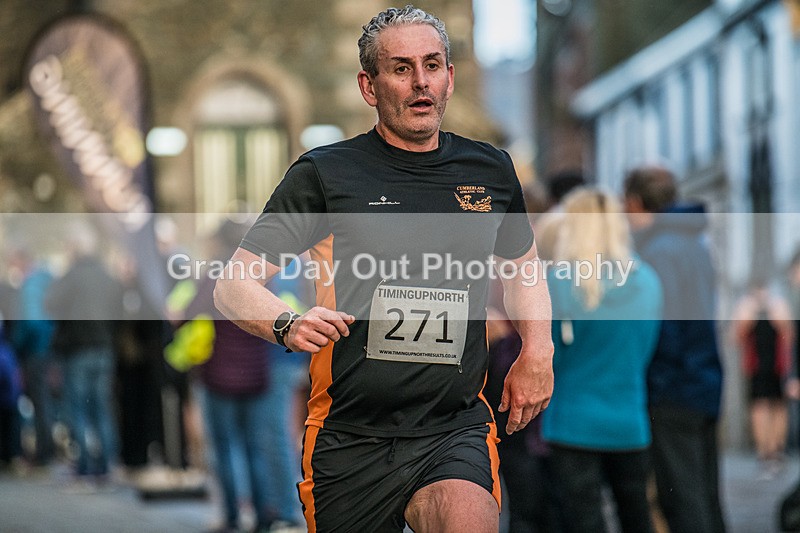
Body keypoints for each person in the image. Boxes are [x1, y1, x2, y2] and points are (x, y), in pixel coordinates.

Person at [214, 5, 554, 532]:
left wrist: (538, 349)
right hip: (349, 436)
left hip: (453, 426)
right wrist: (286, 322)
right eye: (400, 68)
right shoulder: (325, 174)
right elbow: (233, 283)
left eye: (433, 65)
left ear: (450, 76)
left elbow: (524, 268)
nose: (421, 82)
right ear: (369, 86)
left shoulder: (489, 169)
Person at [541, 188, 662, 533]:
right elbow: (646, 351)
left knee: (581, 521)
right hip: (629, 420)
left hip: (572, 422)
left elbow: (549, 357)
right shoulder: (649, 281)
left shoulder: (559, 282)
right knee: (637, 517)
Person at [624, 166, 726, 533]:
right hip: (704, 378)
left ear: (635, 202)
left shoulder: (659, 250)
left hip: (674, 387)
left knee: (682, 500)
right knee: (705, 495)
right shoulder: (694, 243)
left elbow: (662, 327)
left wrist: (655, 379)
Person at [46, 225, 122, 486]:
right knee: (101, 407)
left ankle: (87, 465)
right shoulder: (105, 275)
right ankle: (106, 465)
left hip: (78, 350)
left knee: (78, 408)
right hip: (103, 348)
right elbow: (119, 308)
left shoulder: (72, 275)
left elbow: (51, 305)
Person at [732, 281, 793, 475]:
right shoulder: (747, 310)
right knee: (759, 407)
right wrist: (746, 315)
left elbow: (789, 336)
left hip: (777, 367)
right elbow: (735, 337)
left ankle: (776, 450)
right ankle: (763, 451)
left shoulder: (779, 308)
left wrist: (780, 317)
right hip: (757, 368)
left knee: (778, 406)